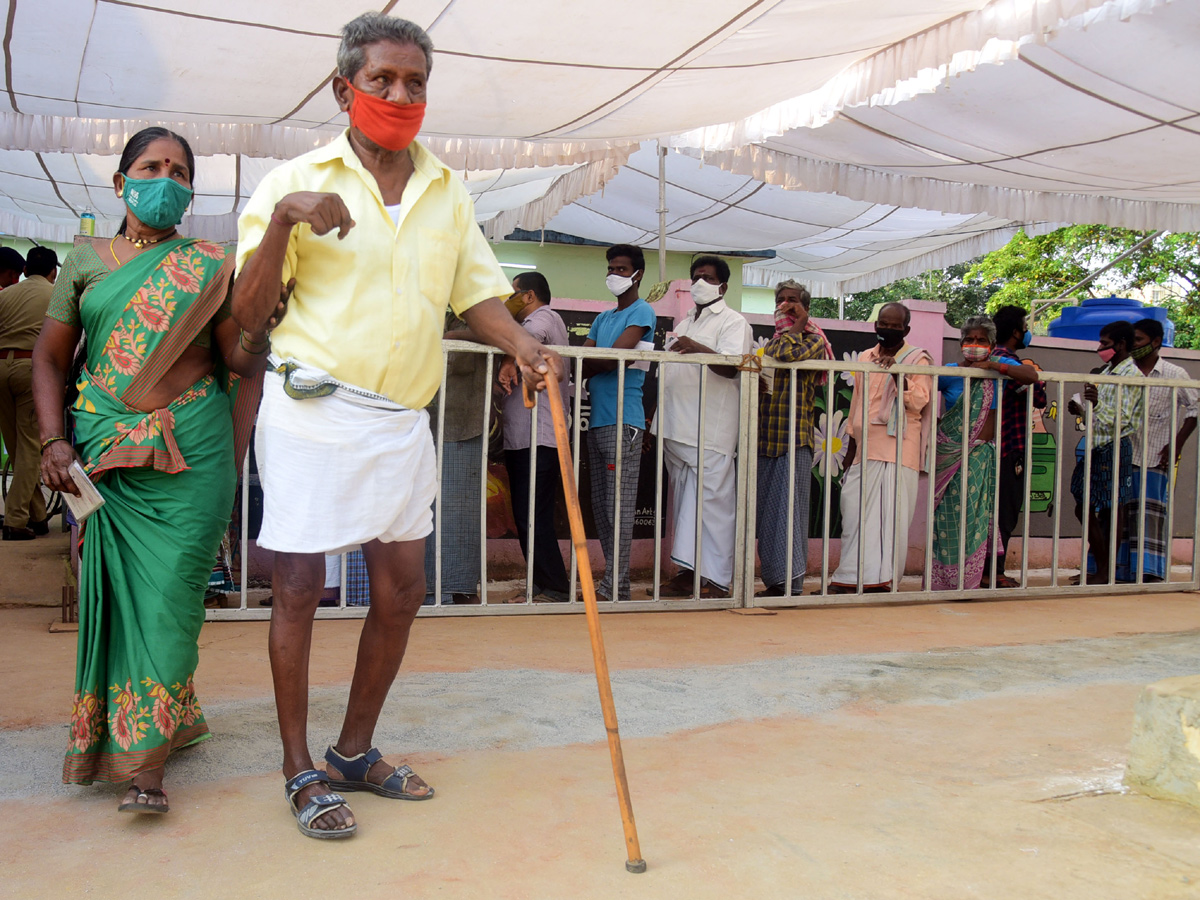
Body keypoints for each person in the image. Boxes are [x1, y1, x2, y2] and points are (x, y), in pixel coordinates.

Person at [232, 13, 561, 841]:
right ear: (346, 88)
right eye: (382, 80)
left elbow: (474, 292)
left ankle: (352, 751)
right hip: (313, 410)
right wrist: (283, 225)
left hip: (400, 420)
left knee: (403, 591)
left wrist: (522, 343)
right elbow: (245, 313)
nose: (400, 95)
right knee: (300, 589)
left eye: (415, 82)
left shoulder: (447, 189)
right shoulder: (293, 181)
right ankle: (297, 767)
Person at [32, 127, 273, 814]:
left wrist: (259, 325)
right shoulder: (84, 261)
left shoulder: (210, 263)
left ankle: (146, 768)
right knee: (120, 599)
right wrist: (53, 440)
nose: (163, 178)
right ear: (120, 183)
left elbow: (238, 363)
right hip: (105, 456)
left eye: (177, 170)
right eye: (149, 166)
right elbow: (49, 357)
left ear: (191, 189)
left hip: (191, 453)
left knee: (169, 600)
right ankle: (168, 721)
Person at [650, 255, 751, 598]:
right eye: (695, 277)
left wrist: (696, 348)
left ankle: (718, 580)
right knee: (686, 505)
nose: (698, 283)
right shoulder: (685, 321)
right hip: (677, 425)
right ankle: (689, 574)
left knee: (714, 506)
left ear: (723, 286)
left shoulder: (735, 322)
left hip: (711, 428)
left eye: (706, 278)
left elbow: (731, 368)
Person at [828, 302, 932, 593]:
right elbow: (856, 406)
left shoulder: (917, 360)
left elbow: (919, 401)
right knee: (854, 513)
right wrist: (850, 450)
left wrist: (899, 374)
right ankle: (851, 576)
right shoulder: (864, 357)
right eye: (882, 324)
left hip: (897, 450)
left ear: (906, 329)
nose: (886, 330)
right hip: (864, 449)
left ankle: (879, 580)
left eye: (894, 326)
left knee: (889, 519)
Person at [930, 316, 1040, 591]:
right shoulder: (951, 372)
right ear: (961, 344)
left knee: (975, 519)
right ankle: (944, 580)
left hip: (982, 456)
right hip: (952, 454)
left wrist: (992, 366)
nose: (974, 345)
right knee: (949, 519)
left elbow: (1031, 377)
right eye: (969, 340)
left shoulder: (1000, 370)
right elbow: (924, 392)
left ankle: (970, 579)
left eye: (981, 341)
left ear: (991, 344)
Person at [581, 244, 656, 602]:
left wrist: (596, 360)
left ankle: (616, 585)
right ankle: (615, 583)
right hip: (597, 421)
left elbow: (614, 358)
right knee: (601, 506)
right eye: (611, 268)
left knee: (619, 507)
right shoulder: (602, 317)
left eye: (622, 269)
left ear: (638, 274)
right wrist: (597, 360)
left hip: (625, 421)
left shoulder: (643, 312)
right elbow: (589, 358)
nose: (614, 274)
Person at [495, 271, 572, 602]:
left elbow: (533, 336)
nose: (507, 302)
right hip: (520, 436)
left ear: (528, 296)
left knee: (535, 513)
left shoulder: (545, 318)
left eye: (512, 294)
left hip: (540, 435)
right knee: (525, 515)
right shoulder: (523, 326)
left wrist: (510, 353)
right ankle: (539, 583)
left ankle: (555, 586)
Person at [755, 280, 831, 598]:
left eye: (793, 301)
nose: (785, 305)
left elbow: (786, 355)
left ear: (805, 306)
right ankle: (775, 581)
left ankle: (791, 583)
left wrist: (799, 323)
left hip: (794, 439)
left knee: (789, 513)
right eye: (781, 300)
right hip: (767, 439)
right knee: (768, 516)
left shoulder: (814, 339)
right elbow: (775, 353)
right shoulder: (775, 340)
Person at [1117, 319, 1197, 582]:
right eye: (1133, 340)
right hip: (1124, 455)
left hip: (1155, 456)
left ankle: (1149, 572)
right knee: (1121, 516)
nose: (1134, 345)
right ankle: (1119, 571)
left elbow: (1195, 408)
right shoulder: (1123, 371)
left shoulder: (1175, 374)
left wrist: (1177, 443)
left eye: (1139, 340)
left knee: (1150, 516)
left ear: (1155, 342)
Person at [1068, 320, 1142, 584]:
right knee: (1086, 505)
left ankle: (1104, 570)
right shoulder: (1109, 371)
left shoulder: (1131, 376)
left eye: (1106, 344)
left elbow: (1122, 418)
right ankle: (1103, 567)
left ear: (1121, 344)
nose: (1100, 348)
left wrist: (1095, 406)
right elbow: (1102, 416)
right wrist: (1083, 409)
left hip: (1114, 445)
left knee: (1110, 509)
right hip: (1097, 444)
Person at [424, 310, 489, 605]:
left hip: (463, 425)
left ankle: (459, 587)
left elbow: (494, 333)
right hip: (426, 424)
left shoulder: (481, 313)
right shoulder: (432, 310)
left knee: (460, 512)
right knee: (427, 511)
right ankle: (427, 587)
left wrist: (451, 338)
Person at [983, 305, 1046, 587]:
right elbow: (1039, 395)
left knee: (985, 512)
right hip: (1009, 447)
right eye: (1024, 327)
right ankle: (993, 573)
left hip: (985, 448)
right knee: (1005, 512)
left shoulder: (987, 359)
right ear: (1016, 332)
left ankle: (983, 571)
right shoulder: (1010, 362)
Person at [0, 246, 57, 539]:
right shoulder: (55, 296)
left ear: (23, 271)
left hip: (0, 368)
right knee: (31, 451)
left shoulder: (4, 295)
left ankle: (37, 515)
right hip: (30, 371)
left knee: (18, 449)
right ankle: (15, 521)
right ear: (53, 272)